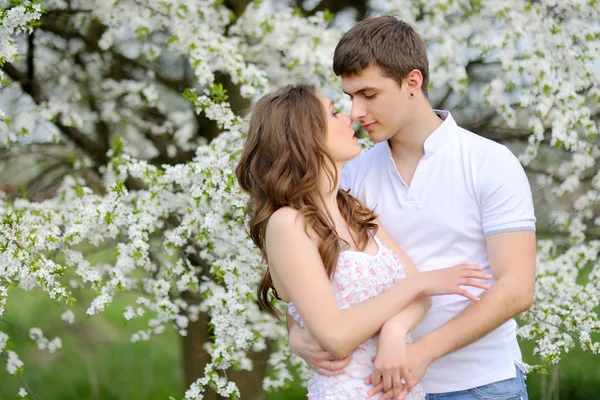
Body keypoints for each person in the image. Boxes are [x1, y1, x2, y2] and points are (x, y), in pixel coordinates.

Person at [287, 16, 537, 400]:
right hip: (380, 389)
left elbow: (516, 288)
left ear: (412, 82)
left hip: (482, 384)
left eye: (368, 95)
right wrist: (295, 331)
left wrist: (422, 351)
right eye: (349, 97)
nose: (355, 112)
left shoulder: (489, 162)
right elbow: (312, 270)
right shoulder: (351, 176)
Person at [235, 84, 492, 399]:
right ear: (305, 134)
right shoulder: (287, 224)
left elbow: (422, 296)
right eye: (333, 112)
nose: (349, 118)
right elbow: (337, 335)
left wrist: (395, 331)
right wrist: (416, 286)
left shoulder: (356, 211)